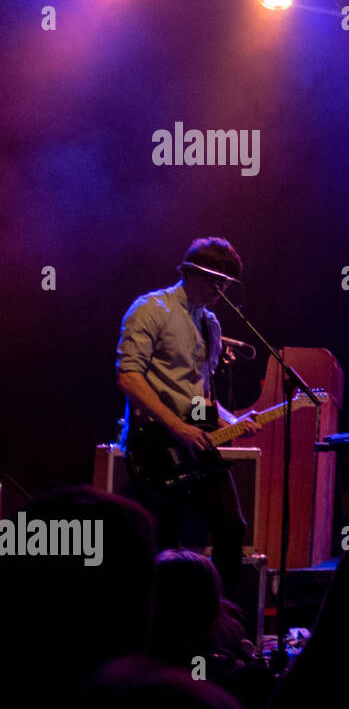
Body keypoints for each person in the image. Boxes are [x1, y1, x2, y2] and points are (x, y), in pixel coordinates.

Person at [116, 237, 257, 595]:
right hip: (155, 442)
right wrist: (176, 426)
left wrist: (230, 420)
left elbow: (200, 396)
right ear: (189, 272)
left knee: (232, 528)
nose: (218, 290)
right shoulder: (150, 309)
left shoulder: (211, 324)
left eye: (225, 284)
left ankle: (219, 618)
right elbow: (129, 376)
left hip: (194, 441)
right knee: (166, 539)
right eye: (213, 281)